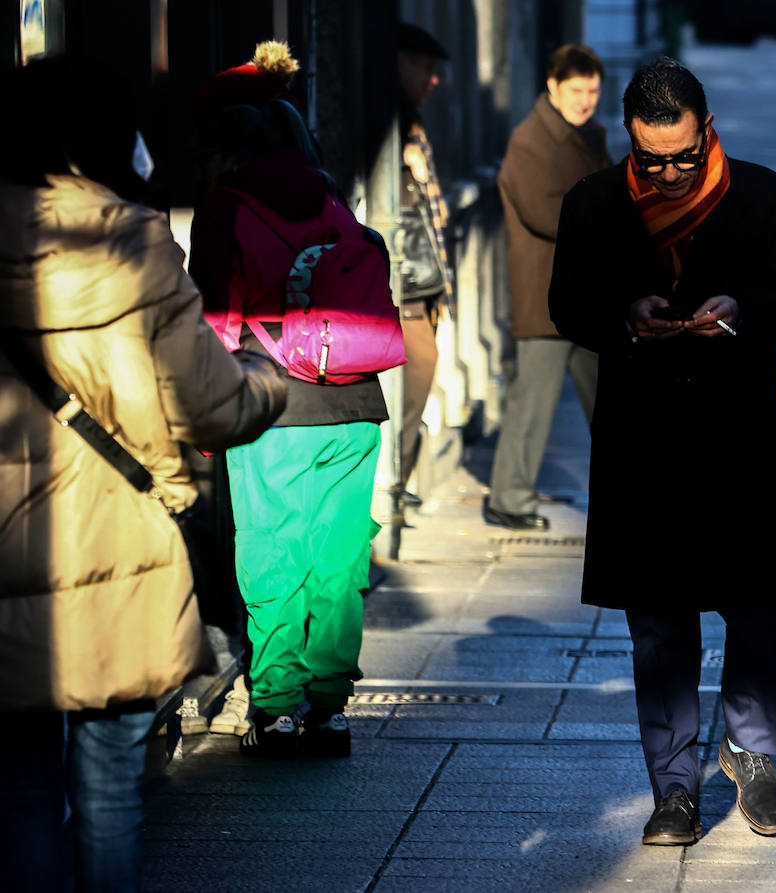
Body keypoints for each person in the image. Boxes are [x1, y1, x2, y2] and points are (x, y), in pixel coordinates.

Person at [0, 56, 286, 891]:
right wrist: (265, 382)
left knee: (19, 786)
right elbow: (212, 403)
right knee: (108, 790)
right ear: (100, 135)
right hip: (115, 542)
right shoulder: (131, 238)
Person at [548, 58, 776, 846]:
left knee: (758, 607)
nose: (669, 172)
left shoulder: (764, 195)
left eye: (683, 156)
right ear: (630, 142)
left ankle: (753, 752)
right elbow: (566, 303)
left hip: (742, 438)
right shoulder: (595, 203)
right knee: (659, 626)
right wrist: (625, 317)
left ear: (707, 131)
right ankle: (673, 786)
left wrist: (743, 309)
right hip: (644, 444)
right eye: (651, 159)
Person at [189, 42, 388, 759]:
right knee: (338, 559)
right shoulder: (332, 197)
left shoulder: (224, 211)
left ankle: (273, 706)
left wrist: (207, 415)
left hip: (273, 408)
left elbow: (215, 325)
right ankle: (330, 709)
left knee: (275, 552)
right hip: (357, 403)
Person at [486, 44, 612, 530]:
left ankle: (629, 493)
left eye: (594, 91)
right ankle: (510, 499)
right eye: (577, 90)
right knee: (533, 403)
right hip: (545, 297)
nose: (585, 100)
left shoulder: (590, 136)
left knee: (612, 400)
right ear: (554, 86)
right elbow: (547, 213)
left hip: (591, 297)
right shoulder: (531, 141)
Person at [395, 23, 455, 498]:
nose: (433, 81)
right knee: (419, 369)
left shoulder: (410, 118)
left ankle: (401, 476)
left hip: (423, 281)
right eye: (426, 69)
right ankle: (395, 479)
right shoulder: (390, 124)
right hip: (406, 283)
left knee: (422, 371)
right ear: (403, 64)